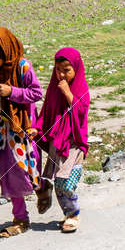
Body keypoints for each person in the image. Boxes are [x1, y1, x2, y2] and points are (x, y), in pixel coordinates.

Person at [0, 26, 42, 238]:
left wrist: (12, 92)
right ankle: (20, 218)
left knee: (27, 170)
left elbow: (36, 93)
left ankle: (43, 189)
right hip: (4, 130)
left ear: (4, 52)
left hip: (23, 129)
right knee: (10, 172)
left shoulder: (23, 67)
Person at [33, 47, 90, 233]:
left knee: (65, 181)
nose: (62, 74)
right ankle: (68, 214)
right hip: (56, 142)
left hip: (73, 143)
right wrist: (37, 128)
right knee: (58, 182)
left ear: (76, 69)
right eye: (58, 70)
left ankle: (74, 214)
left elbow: (81, 112)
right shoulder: (53, 88)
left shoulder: (81, 88)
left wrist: (68, 93)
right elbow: (47, 112)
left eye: (67, 70)